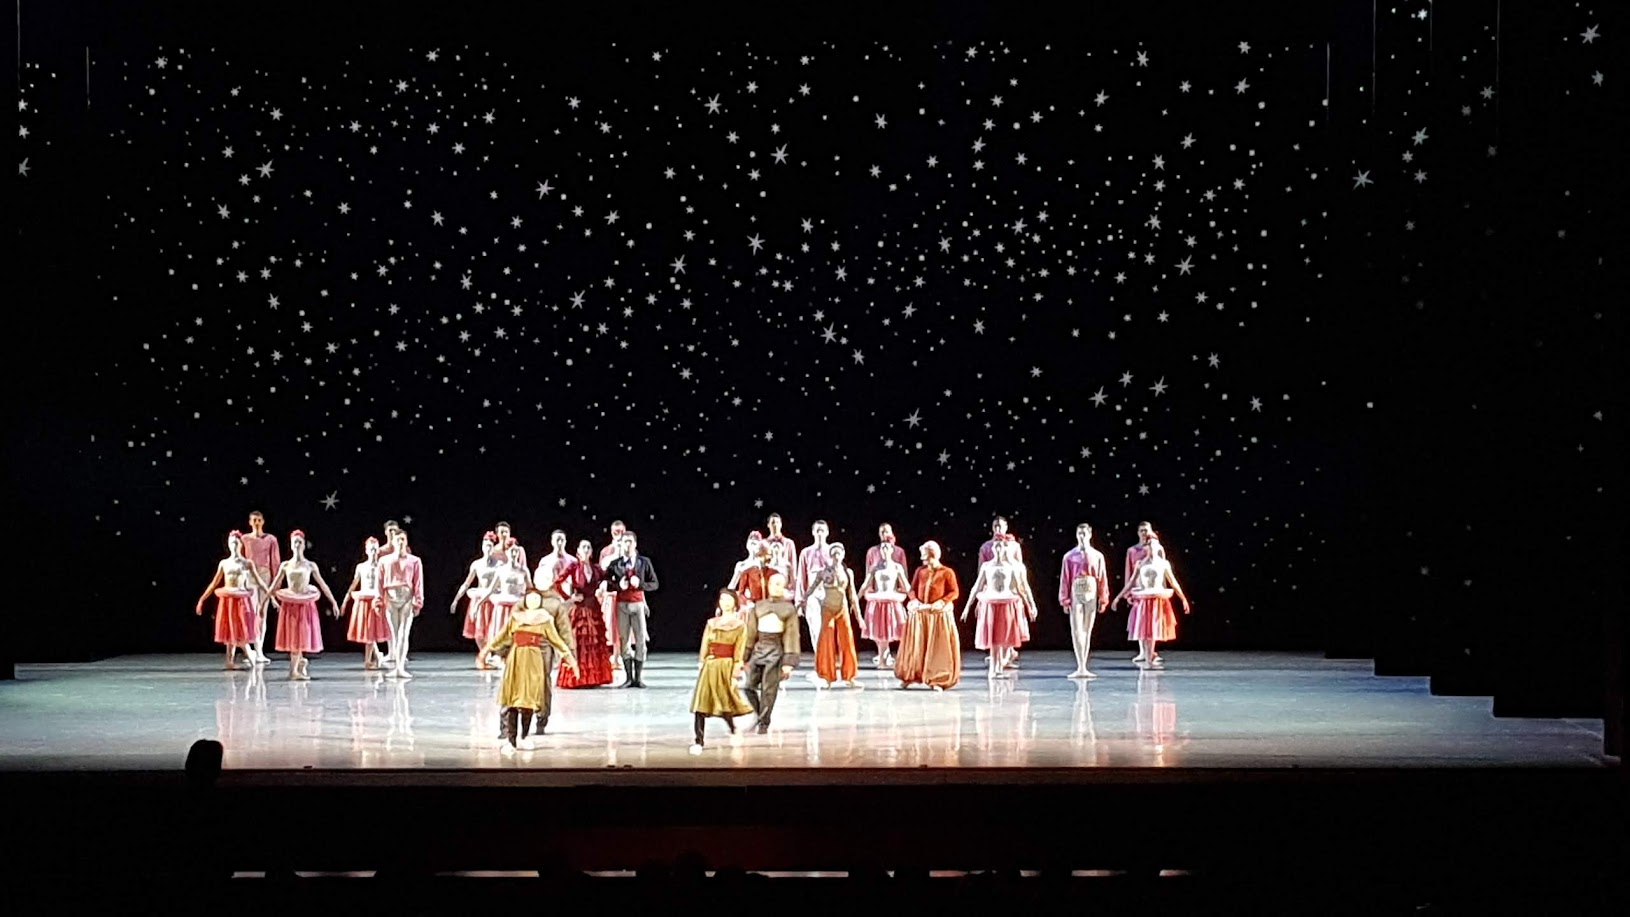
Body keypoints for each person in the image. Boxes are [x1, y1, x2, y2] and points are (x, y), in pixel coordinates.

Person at [484, 586, 578, 752]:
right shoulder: (516, 618)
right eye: (530, 598)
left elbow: (557, 641)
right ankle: (511, 740)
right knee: (512, 701)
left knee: (529, 700)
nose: (533, 601)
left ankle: (524, 736)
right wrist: (487, 651)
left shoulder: (545, 620)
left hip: (534, 660)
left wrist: (571, 659)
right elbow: (501, 637)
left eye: (536, 598)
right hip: (516, 660)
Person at [259, 529, 340, 681]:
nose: (297, 544)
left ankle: (298, 665)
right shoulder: (285, 565)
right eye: (294, 542)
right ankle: (295, 668)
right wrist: (263, 602)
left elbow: (323, 584)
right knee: (293, 638)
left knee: (301, 637)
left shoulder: (310, 565)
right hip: (290, 605)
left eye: (299, 542)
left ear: (303, 545)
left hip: (304, 605)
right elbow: (274, 585)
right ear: (291, 545)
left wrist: (333, 602)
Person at [688, 589, 754, 753]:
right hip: (710, 666)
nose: (725, 602)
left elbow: (739, 649)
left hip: (726, 666)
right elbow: (705, 643)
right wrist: (702, 661)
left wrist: (736, 671)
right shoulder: (712, 623)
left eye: (729, 599)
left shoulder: (739, 625)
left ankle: (733, 729)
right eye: (722, 599)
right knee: (701, 704)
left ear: (735, 603)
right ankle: (698, 741)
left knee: (725, 704)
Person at [961, 536, 1036, 678]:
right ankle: (993, 669)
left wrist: (1030, 605)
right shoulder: (986, 566)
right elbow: (977, 587)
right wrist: (967, 607)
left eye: (1001, 546)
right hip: (991, 603)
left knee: (1002, 636)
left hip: (1006, 603)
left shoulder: (1010, 567)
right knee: (993, 637)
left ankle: (998, 667)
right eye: (996, 546)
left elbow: (1020, 589)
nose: (998, 549)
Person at [194, 531, 271, 669]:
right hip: (228, 600)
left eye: (236, 542)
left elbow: (259, 581)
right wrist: (202, 600)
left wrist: (271, 596)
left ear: (240, 544)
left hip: (241, 600)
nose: (233, 545)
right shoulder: (224, 563)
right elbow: (214, 583)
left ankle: (250, 653)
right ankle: (229, 661)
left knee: (240, 630)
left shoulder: (247, 563)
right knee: (229, 629)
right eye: (231, 543)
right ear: (228, 545)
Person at [1113, 536, 1191, 668]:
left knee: (1153, 630)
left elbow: (1173, 582)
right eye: (1150, 545)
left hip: (1157, 600)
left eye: (1155, 544)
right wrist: (1118, 597)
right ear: (1147, 548)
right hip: (1143, 600)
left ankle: (1149, 659)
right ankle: (1147, 657)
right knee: (1144, 630)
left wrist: (1183, 599)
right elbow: (1131, 582)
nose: (1153, 547)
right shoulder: (1140, 564)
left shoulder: (1164, 564)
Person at [895, 541, 961, 691]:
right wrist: (914, 601)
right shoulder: (920, 571)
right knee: (916, 647)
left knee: (936, 648)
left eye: (924, 554)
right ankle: (911, 676)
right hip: (921, 615)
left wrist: (942, 601)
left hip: (936, 616)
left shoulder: (947, 572)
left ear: (932, 554)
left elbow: (954, 592)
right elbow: (912, 590)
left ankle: (937, 678)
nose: (922, 557)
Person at [741, 573, 801, 733]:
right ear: (768, 585)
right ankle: (760, 715)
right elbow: (750, 633)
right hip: (759, 649)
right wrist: (744, 657)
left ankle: (764, 722)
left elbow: (791, 635)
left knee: (769, 689)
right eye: (774, 584)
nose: (776, 587)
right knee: (748, 686)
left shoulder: (788, 609)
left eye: (780, 584)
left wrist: (789, 662)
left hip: (775, 650)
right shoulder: (758, 606)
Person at [603, 532, 659, 687]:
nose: (627, 545)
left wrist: (640, 584)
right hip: (621, 605)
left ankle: (638, 678)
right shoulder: (615, 564)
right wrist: (618, 586)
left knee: (640, 640)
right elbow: (606, 582)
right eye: (625, 542)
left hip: (637, 604)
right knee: (623, 640)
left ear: (635, 544)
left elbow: (654, 584)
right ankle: (628, 677)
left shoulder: (644, 562)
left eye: (630, 542)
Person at [557, 540, 613, 688]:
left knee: (594, 642)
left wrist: (603, 587)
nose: (586, 549)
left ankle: (594, 678)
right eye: (584, 547)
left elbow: (608, 579)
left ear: (591, 551)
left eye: (589, 547)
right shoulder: (573, 567)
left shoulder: (596, 569)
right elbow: (557, 582)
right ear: (578, 551)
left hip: (593, 608)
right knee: (579, 643)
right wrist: (569, 598)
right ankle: (577, 678)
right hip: (579, 609)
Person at [1058, 522, 1111, 679]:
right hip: (1076, 591)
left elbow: (1102, 578)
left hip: (1091, 590)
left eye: (1084, 533)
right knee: (1077, 629)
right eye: (1079, 533)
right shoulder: (1069, 556)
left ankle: (1084, 665)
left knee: (1087, 629)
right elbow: (1065, 579)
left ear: (1090, 534)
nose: (1082, 536)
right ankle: (1080, 665)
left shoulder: (1097, 556)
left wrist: (1103, 598)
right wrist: (1065, 599)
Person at [812, 543, 863, 688]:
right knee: (826, 639)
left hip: (842, 608)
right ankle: (827, 677)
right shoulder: (823, 572)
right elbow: (812, 588)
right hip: (827, 608)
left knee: (847, 639)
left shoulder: (848, 572)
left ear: (843, 555)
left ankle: (850, 676)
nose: (836, 556)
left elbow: (852, 595)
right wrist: (802, 601)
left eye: (838, 553)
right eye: (833, 553)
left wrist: (859, 617)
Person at [338, 536, 392, 670]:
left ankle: (373, 657)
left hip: (377, 601)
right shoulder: (361, 567)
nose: (373, 552)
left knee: (372, 632)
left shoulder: (382, 566)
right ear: (366, 551)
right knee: (368, 631)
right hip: (364, 601)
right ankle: (370, 659)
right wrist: (345, 601)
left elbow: (386, 585)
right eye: (371, 549)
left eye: (375, 549)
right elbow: (354, 584)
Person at [450, 532, 501, 669]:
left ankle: (490, 656)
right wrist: (456, 600)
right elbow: (466, 583)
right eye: (485, 546)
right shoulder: (477, 564)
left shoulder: (499, 564)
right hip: (479, 599)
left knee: (492, 631)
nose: (487, 549)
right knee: (479, 632)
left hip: (493, 599)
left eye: (490, 546)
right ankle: (484, 655)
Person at [379, 529, 424, 679]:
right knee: (394, 634)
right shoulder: (384, 561)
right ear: (392, 541)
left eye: (402, 539)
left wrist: (418, 601)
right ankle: (395, 666)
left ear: (406, 541)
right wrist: (379, 601)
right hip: (390, 599)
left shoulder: (414, 560)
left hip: (407, 599)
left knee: (404, 633)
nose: (400, 542)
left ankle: (400, 668)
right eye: (397, 539)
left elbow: (418, 582)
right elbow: (379, 583)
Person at [859, 540, 909, 668]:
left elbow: (905, 585)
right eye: (882, 548)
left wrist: (914, 599)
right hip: (879, 600)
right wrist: (856, 598)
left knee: (895, 629)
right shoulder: (875, 567)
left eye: (887, 547)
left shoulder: (897, 567)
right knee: (880, 632)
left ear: (892, 550)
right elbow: (865, 584)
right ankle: (882, 660)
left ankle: (897, 659)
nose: (884, 550)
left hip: (892, 600)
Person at [795, 520, 834, 669]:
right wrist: (800, 602)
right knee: (815, 628)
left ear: (827, 533)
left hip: (828, 593)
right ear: (812, 532)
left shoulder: (832, 551)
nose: (819, 533)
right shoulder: (806, 553)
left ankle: (828, 660)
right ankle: (820, 661)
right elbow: (801, 578)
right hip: (812, 594)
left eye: (822, 530)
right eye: (817, 530)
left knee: (828, 628)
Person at [727, 533, 777, 607]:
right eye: (751, 543)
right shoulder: (741, 565)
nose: (752, 546)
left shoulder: (764, 563)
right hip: (746, 602)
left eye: (755, 543)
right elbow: (732, 585)